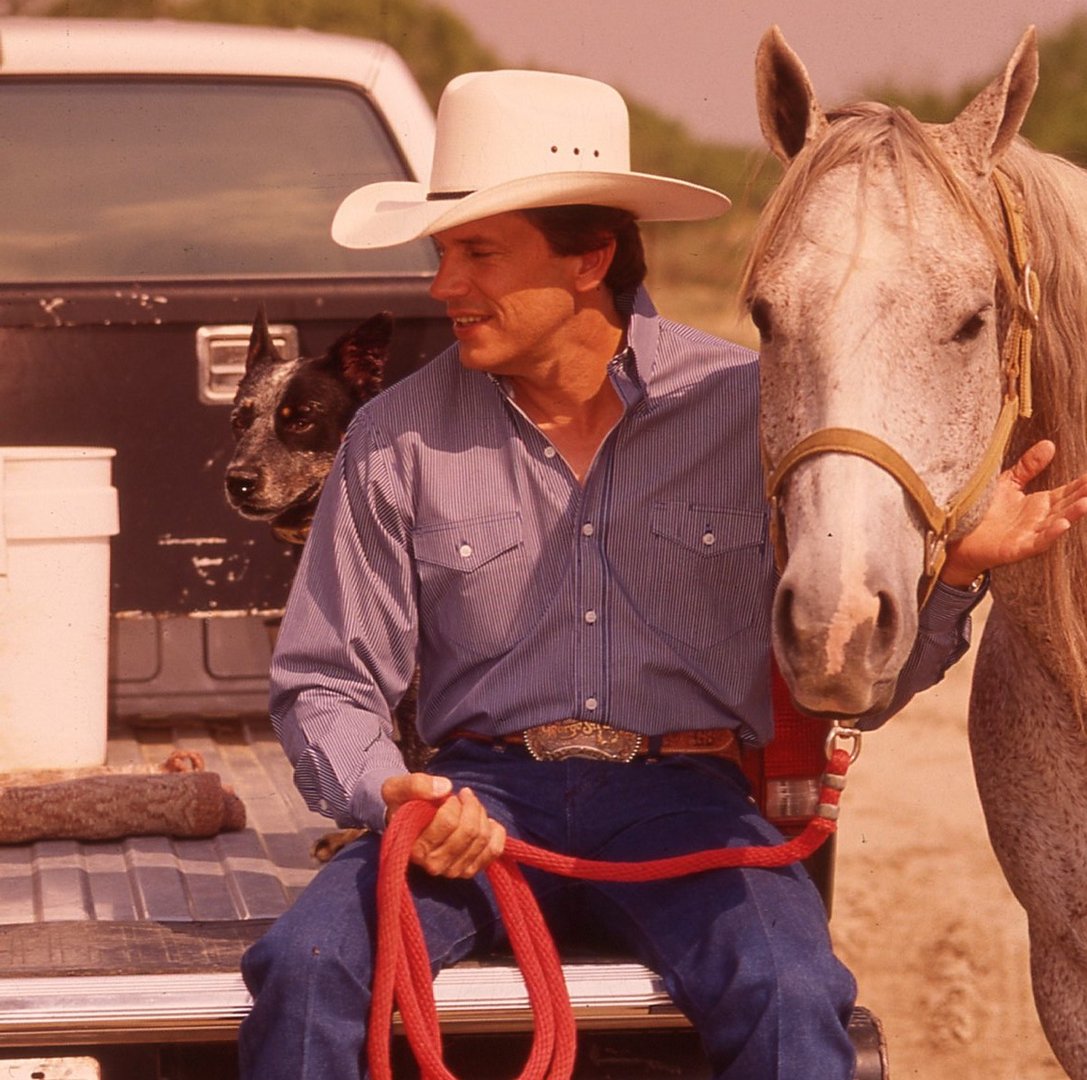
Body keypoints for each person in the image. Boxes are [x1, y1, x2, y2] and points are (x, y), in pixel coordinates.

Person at [239, 70, 1087, 1079]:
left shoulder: (748, 414)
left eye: (476, 254)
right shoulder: (394, 437)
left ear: (590, 258)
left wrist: (952, 578)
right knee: (307, 963)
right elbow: (325, 680)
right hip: (476, 797)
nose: (442, 288)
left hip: (684, 795)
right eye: (441, 254)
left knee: (793, 995)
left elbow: (847, 686)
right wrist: (397, 794)